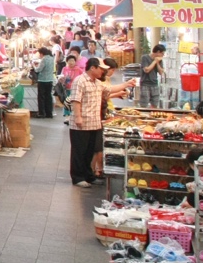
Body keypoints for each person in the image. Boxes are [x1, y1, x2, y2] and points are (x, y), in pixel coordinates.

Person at [69, 57, 136, 186]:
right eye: (101, 69)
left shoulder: (97, 83)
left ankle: (88, 176)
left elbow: (110, 89)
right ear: (92, 68)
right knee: (79, 151)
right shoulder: (80, 81)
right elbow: (76, 100)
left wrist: (126, 84)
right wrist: (78, 117)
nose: (103, 72)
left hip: (94, 123)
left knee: (89, 151)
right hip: (82, 123)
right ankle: (78, 177)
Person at [34, 46, 56, 119]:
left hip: (42, 80)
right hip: (50, 80)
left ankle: (41, 113)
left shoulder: (44, 59)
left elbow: (38, 70)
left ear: (41, 53)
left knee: (41, 97)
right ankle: (49, 113)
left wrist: (34, 66)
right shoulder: (52, 58)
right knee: (48, 97)